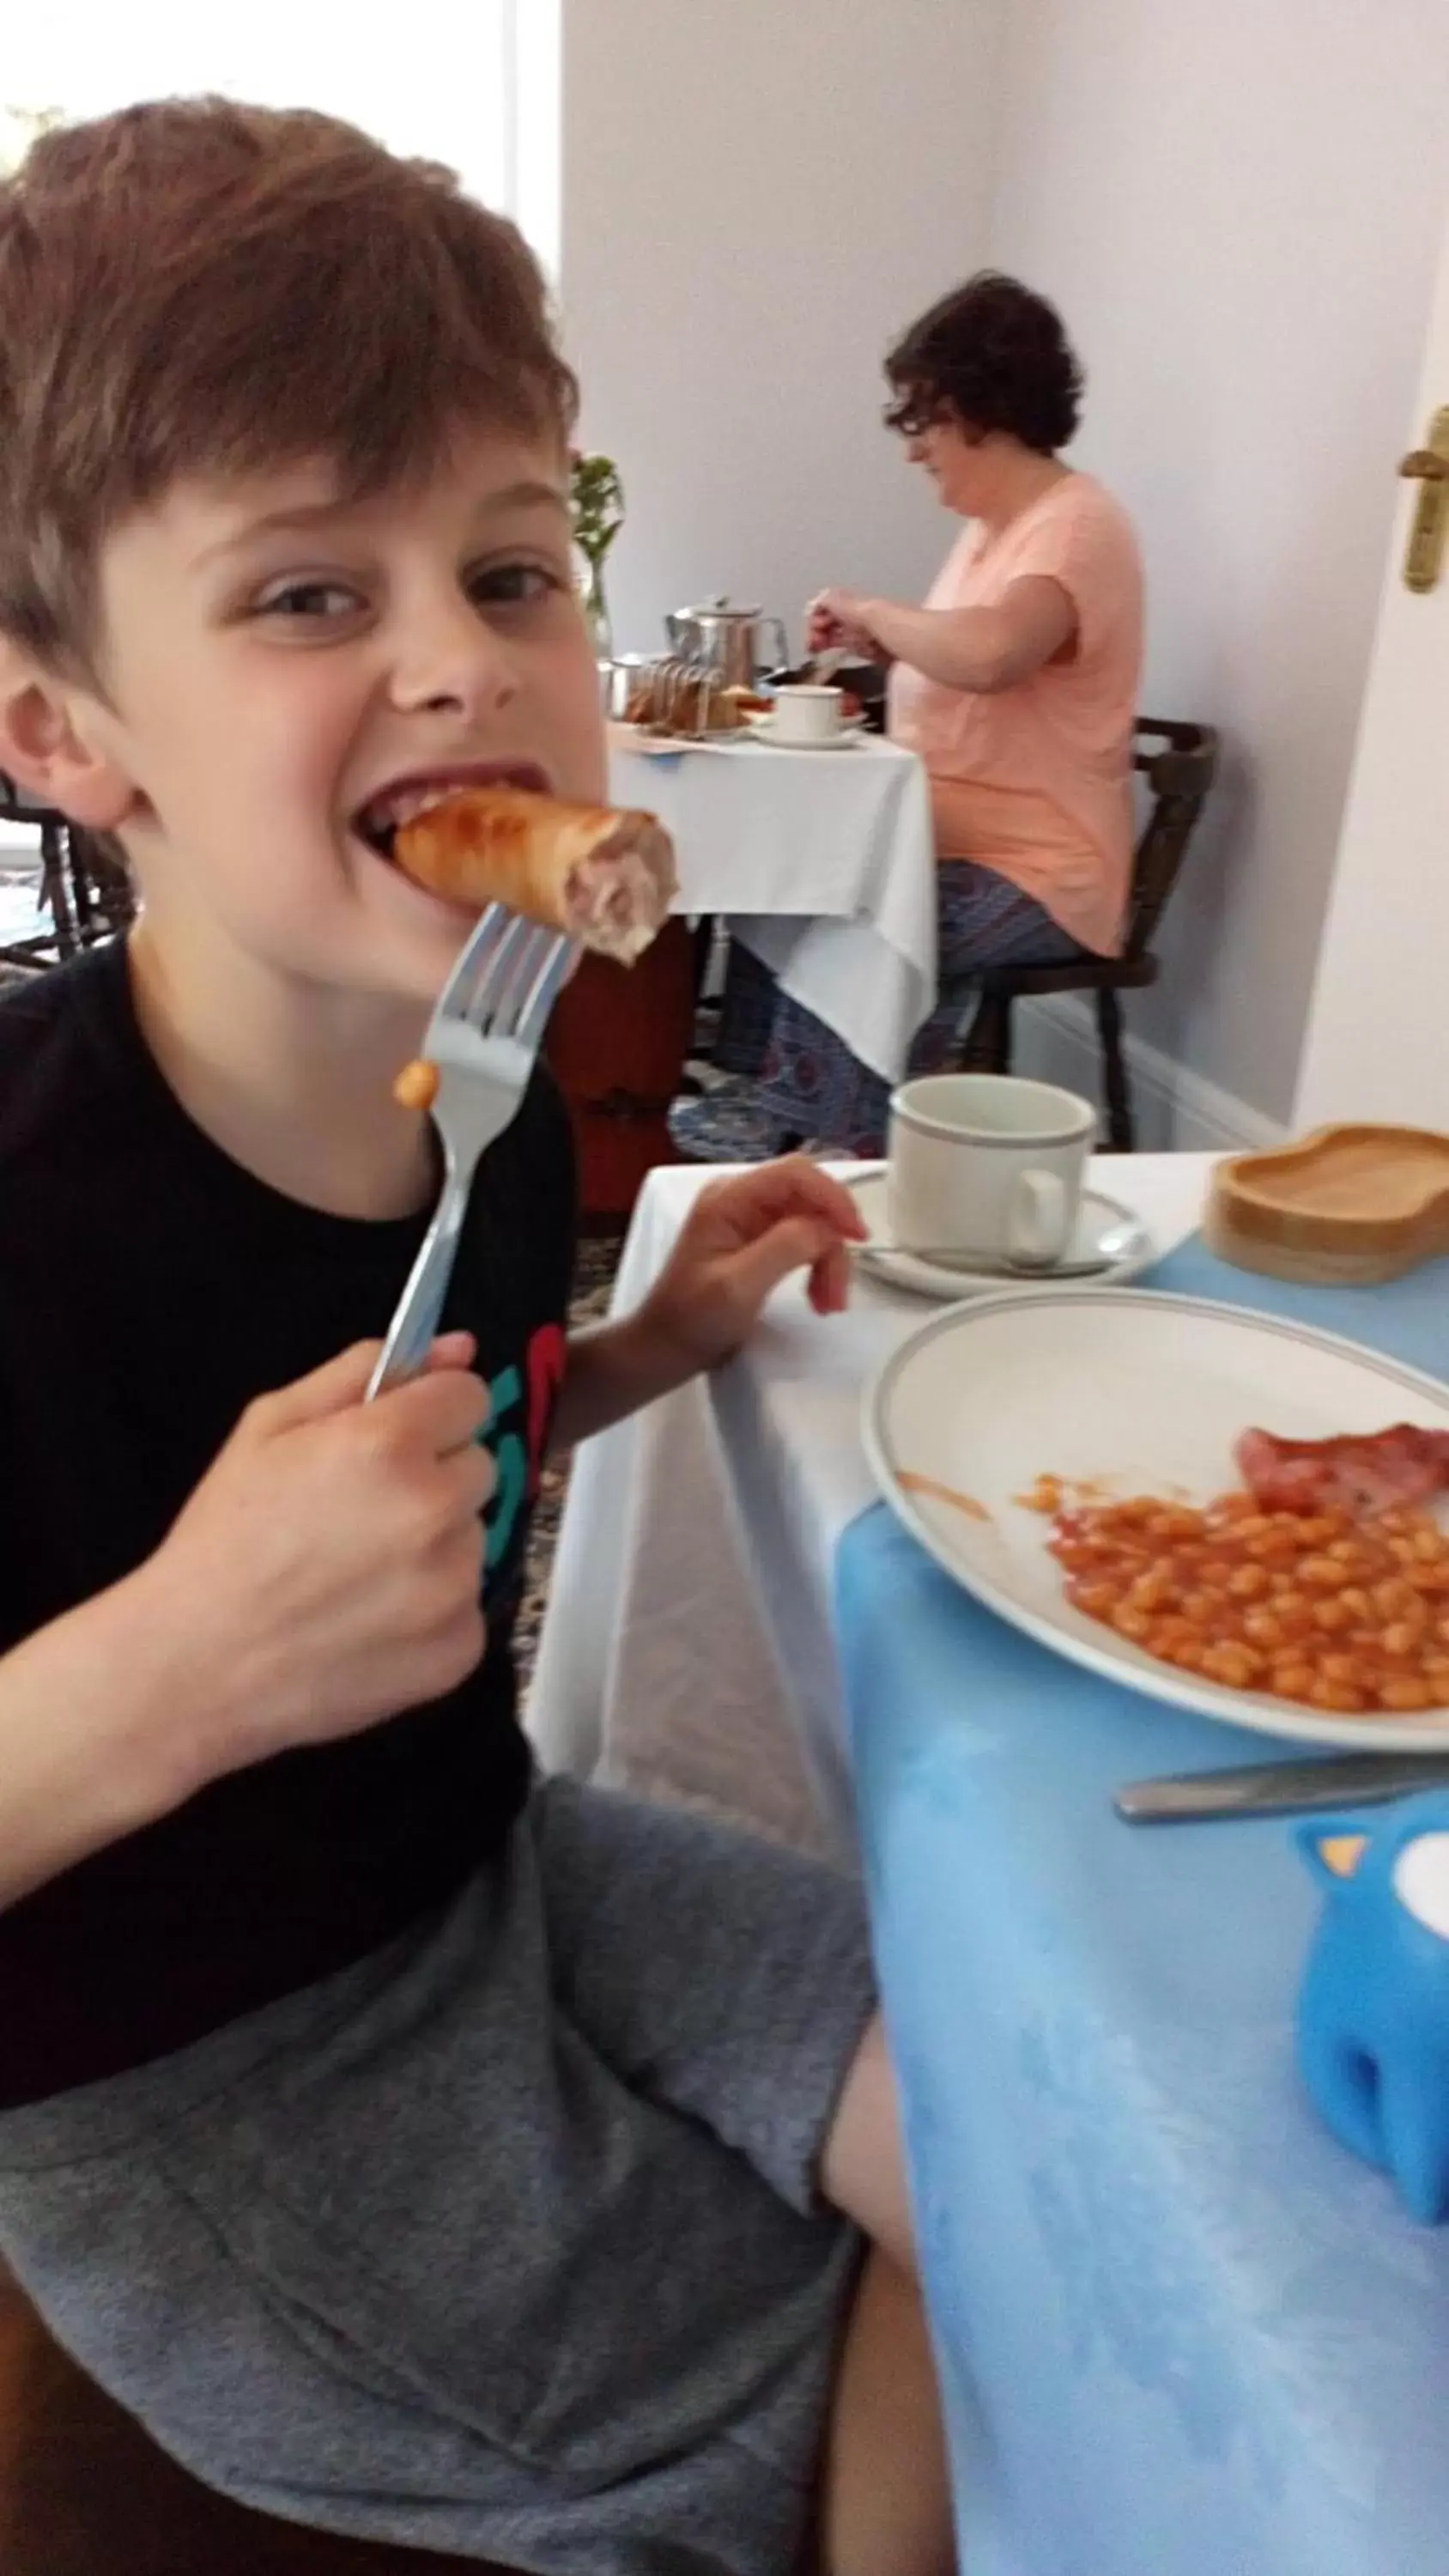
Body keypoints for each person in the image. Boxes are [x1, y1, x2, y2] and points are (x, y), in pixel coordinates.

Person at [0, 102, 954, 2576]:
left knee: (1036, 2133)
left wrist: (648, 1342)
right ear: (62, 734)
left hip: (484, 1870)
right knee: (867, 2384)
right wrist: (178, 1666)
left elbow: (449, 1412)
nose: (465, 657)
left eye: (516, 567)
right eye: (310, 594)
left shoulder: (509, 1083)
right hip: (204, 2098)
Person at [703, 270, 1143, 1158]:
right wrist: (894, 646)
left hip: (1040, 867)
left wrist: (874, 612)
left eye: (924, 419)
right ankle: (774, 1109)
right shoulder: (992, 534)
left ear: (983, 406)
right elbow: (968, 651)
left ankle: (818, 1146)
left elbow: (990, 654)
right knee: (796, 875)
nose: (914, 449)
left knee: (867, 911)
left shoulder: (1075, 525)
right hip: (949, 842)